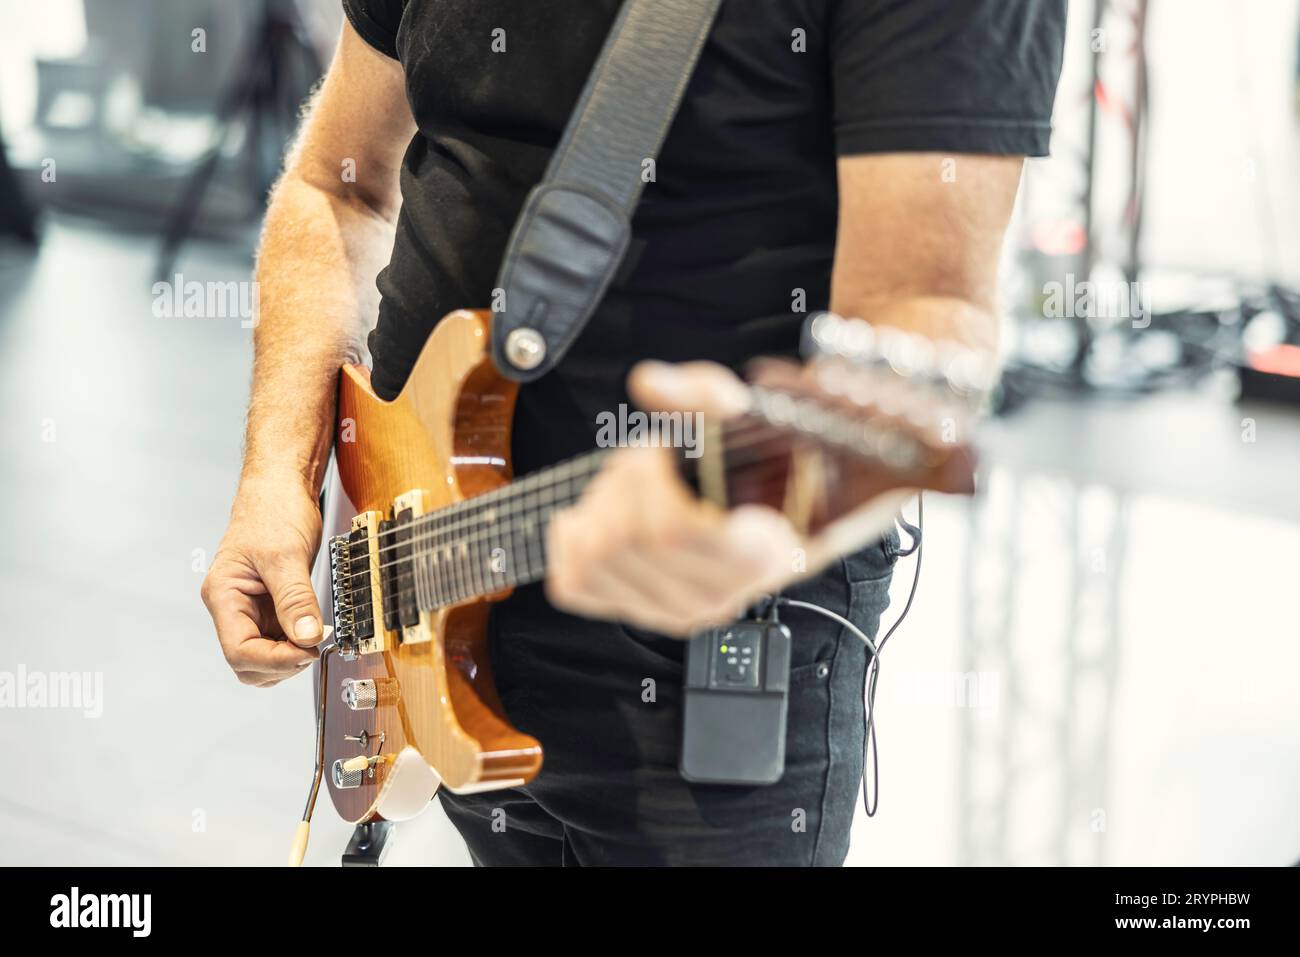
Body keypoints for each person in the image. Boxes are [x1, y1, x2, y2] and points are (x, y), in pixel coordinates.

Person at [201, 0, 1065, 865]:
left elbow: (927, 322)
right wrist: (277, 473)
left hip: (718, 645)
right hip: (415, 592)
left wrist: (786, 507)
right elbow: (337, 186)